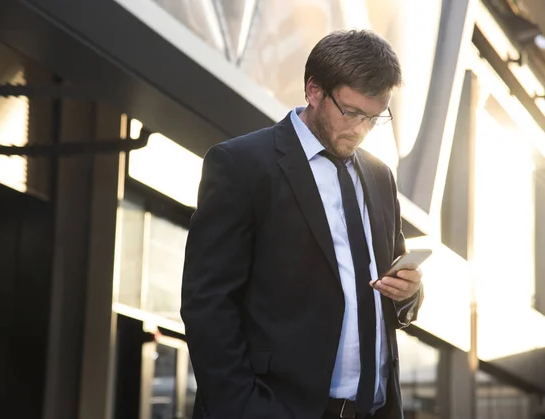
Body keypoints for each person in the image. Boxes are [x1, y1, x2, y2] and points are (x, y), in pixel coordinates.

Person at [181, 29, 424, 419]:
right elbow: (207, 303)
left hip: (374, 410)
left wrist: (408, 293)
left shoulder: (380, 177)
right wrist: (244, 408)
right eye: (351, 112)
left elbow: (389, 289)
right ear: (314, 91)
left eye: (374, 118)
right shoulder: (242, 165)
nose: (361, 129)